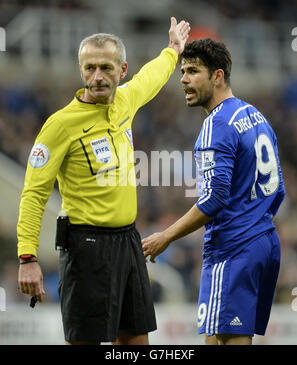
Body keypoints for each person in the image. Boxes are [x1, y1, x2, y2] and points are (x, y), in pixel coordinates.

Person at [17, 17, 190, 345]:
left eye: (106, 68)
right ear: (81, 70)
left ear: (122, 69)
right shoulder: (60, 126)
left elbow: (151, 77)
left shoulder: (125, 100)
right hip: (86, 248)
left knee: (136, 343)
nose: (97, 77)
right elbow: (34, 193)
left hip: (128, 243)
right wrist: (27, 257)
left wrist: (172, 50)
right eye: (90, 68)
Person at [142, 38, 285, 345]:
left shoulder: (216, 125)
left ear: (217, 76)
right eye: (182, 72)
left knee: (226, 338)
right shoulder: (256, 116)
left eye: (193, 71)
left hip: (233, 248)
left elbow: (214, 199)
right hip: (265, 243)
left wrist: (165, 236)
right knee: (219, 336)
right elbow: (279, 189)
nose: (183, 79)